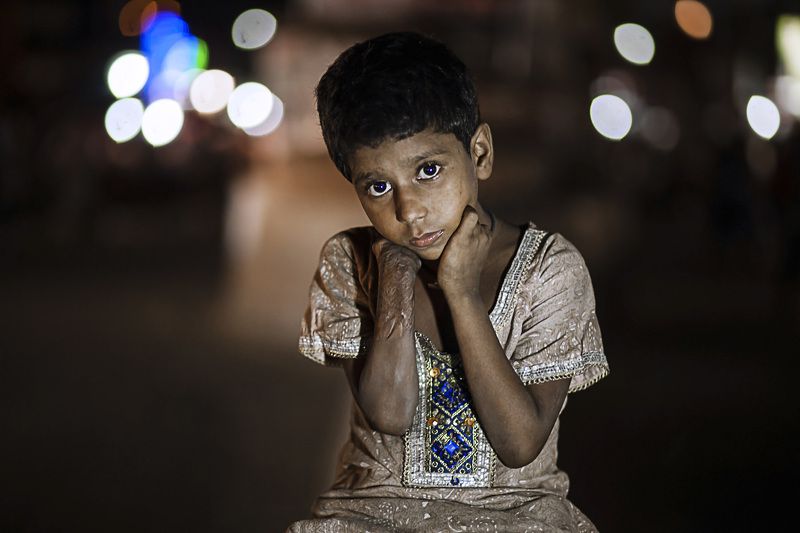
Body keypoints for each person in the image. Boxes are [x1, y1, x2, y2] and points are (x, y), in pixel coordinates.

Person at [288, 32, 609, 533]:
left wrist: (460, 292)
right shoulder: (351, 262)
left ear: (479, 153)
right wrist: (393, 275)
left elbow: (520, 443)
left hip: (516, 518)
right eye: (378, 187)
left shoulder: (550, 269)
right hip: (367, 518)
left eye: (429, 170)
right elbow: (390, 414)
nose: (409, 210)